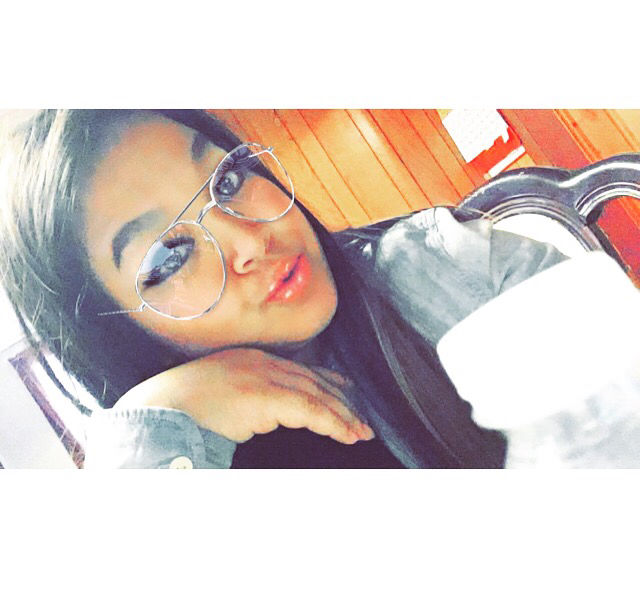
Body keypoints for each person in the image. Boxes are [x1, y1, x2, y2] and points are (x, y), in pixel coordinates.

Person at [0, 109, 567, 469]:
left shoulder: (447, 265)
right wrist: (158, 427)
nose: (250, 239)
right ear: (116, 334)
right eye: (169, 256)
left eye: (227, 180)